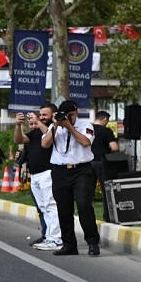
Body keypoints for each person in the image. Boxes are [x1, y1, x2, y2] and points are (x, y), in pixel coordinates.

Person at [41, 100, 100, 256]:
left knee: (84, 205)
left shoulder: (85, 125)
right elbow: (45, 144)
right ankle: (69, 244)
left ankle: (93, 242)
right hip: (60, 172)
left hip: (81, 171)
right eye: (66, 115)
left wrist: (69, 127)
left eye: (71, 115)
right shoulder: (56, 127)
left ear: (76, 112)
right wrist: (55, 125)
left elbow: (86, 142)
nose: (69, 118)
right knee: (63, 209)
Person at [15, 107, 63, 251]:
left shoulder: (54, 128)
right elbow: (19, 139)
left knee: (50, 206)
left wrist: (38, 122)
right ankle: (49, 237)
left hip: (48, 172)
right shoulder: (36, 131)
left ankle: (57, 239)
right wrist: (18, 125)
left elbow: (48, 137)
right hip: (35, 174)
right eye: (39, 115)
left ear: (52, 115)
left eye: (44, 115)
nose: (41, 117)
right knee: (43, 208)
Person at [90, 110, 120, 221]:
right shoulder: (106, 131)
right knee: (106, 190)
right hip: (102, 162)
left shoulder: (88, 129)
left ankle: (88, 216)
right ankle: (107, 216)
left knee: (89, 192)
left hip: (88, 162)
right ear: (104, 119)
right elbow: (115, 147)